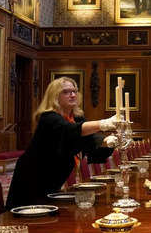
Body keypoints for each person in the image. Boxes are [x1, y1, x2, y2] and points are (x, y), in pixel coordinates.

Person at [6, 77, 118, 208]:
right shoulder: (48, 118)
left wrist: (109, 141)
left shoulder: (76, 118)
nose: (72, 95)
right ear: (54, 96)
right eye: (66, 92)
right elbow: (69, 130)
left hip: (54, 178)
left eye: (74, 91)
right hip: (32, 179)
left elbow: (90, 141)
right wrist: (103, 123)